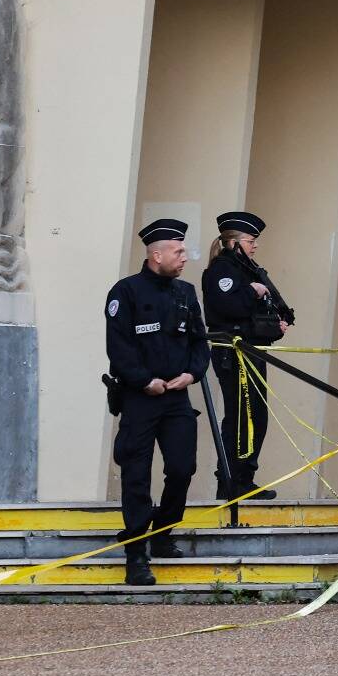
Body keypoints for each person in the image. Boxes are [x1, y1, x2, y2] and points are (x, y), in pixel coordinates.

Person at [104, 218, 209, 586]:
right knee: (136, 475)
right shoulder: (125, 292)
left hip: (177, 398)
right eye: (178, 251)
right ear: (156, 253)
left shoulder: (185, 292)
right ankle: (136, 553)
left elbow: (200, 342)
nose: (184, 257)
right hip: (140, 399)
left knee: (182, 468)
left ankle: (163, 531)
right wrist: (143, 380)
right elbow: (118, 348)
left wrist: (192, 374)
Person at [201, 210, 294, 500]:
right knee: (241, 417)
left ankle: (244, 478)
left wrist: (276, 325)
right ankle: (232, 482)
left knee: (256, 417)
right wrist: (252, 292)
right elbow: (231, 310)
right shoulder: (221, 271)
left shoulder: (248, 269)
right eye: (251, 241)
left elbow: (258, 318)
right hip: (233, 354)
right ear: (233, 242)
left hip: (251, 352)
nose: (255, 246)